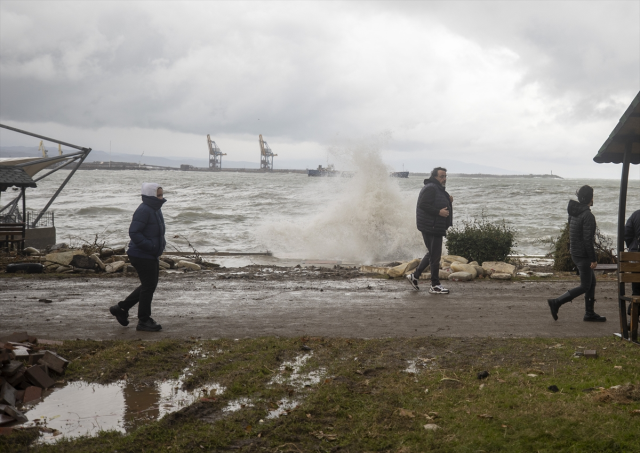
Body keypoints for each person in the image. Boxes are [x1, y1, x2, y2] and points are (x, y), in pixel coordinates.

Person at [110, 183, 167, 331]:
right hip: (141, 254)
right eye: (158, 195)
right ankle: (143, 320)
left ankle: (121, 308)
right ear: (150, 196)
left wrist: (160, 245)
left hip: (150, 254)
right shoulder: (144, 210)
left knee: (149, 285)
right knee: (149, 286)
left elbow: (158, 232)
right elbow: (134, 232)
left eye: (161, 195)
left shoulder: (155, 209)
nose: (162, 198)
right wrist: (151, 246)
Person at [547, 185, 606, 322]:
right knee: (585, 285)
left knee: (591, 283)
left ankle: (589, 313)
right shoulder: (588, 216)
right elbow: (587, 240)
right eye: (592, 195)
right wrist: (593, 258)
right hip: (583, 255)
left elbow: (574, 234)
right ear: (590, 198)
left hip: (575, 252)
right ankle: (556, 302)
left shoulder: (574, 212)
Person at [406, 167, 453, 294]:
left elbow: (436, 202)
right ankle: (435, 285)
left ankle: (415, 276)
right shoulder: (431, 187)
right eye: (441, 176)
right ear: (434, 176)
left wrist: (449, 202)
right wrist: (439, 212)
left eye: (445, 176)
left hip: (434, 226)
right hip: (431, 226)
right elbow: (423, 204)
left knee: (432, 253)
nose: (444, 179)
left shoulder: (437, 188)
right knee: (435, 255)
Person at [625, 208, 640, 315]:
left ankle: (634, 311)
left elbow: (626, 234)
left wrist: (632, 248)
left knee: (636, 290)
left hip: (635, 256)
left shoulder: (635, 215)